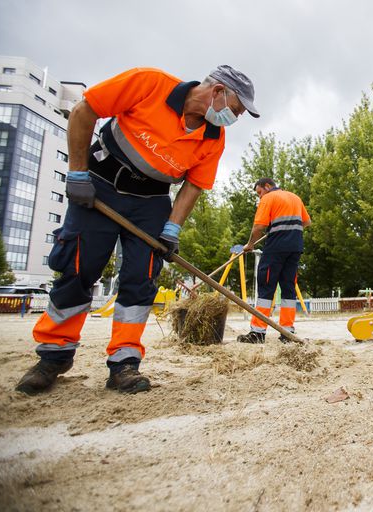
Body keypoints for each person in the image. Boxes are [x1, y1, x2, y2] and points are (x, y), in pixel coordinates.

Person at [15, 65, 260, 395]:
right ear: (217, 92)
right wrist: (77, 173)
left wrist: (171, 229)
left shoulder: (214, 137)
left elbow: (193, 186)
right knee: (78, 268)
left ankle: (124, 363)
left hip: (150, 202)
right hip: (99, 186)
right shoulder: (149, 84)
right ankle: (54, 356)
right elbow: (84, 110)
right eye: (236, 109)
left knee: (140, 279)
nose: (236, 117)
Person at [238, 178, 311, 343]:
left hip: (276, 249)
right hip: (295, 248)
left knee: (265, 288)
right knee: (288, 289)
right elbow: (307, 221)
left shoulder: (268, 198)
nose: (259, 197)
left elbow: (258, 227)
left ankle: (257, 332)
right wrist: (287, 227)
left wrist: (249, 244)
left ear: (267, 186)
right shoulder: (295, 197)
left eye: (259, 192)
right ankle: (287, 333)